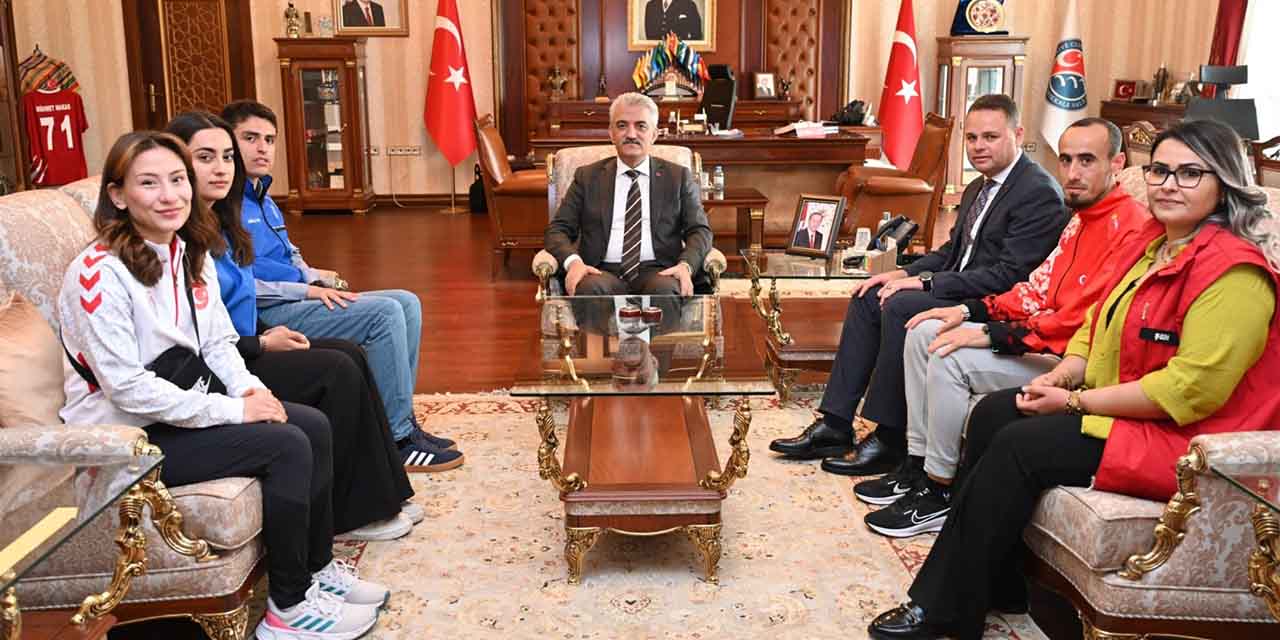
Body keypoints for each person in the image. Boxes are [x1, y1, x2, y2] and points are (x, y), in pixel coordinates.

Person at [867, 118, 1280, 640]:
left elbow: (1188, 391)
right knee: (997, 411)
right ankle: (998, 584)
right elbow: (1096, 327)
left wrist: (1073, 404)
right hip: (1137, 416)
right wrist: (1060, 378)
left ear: (1225, 182)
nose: (1169, 185)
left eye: (1190, 173)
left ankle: (943, 608)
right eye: (1160, 170)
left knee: (1020, 446)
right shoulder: (1158, 245)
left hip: (1189, 442)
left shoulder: (1234, 271)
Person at [58, 131, 388, 639]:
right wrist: (234, 412)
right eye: (149, 183)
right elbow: (125, 388)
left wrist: (251, 391)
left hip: (173, 414)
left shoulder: (189, 252)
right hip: (121, 439)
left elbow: (217, 343)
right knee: (286, 446)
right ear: (119, 195)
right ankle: (288, 611)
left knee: (313, 425)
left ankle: (315, 568)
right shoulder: (97, 273)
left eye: (177, 180)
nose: (169, 196)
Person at [856, 118, 1150, 538]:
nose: (1072, 173)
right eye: (1066, 160)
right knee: (924, 331)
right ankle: (916, 467)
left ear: (1116, 164)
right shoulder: (1079, 220)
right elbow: (1036, 288)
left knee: (948, 356)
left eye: (1087, 161)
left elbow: (1079, 321)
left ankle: (940, 492)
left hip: (1070, 361)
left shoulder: (1133, 229)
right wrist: (971, 310)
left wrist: (992, 333)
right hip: (1040, 340)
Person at [769, 94, 1068, 475]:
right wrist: (902, 274)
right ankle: (836, 424)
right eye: (972, 137)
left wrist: (925, 284)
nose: (979, 146)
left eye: (991, 137)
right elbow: (951, 252)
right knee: (870, 294)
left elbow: (1009, 276)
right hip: (960, 285)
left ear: (1018, 134)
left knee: (898, 306)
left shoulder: (1037, 193)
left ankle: (891, 437)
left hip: (990, 302)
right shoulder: (979, 187)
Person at [166, 111, 420, 540]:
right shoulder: (180, 239)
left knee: (348, 355)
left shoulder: (218, 223)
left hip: (243, 345)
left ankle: (384, 492)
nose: (222, 168)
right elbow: (197, 338)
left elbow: (236, 305)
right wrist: (261, 344)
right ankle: (353, 514)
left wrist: (266, 332)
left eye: (226, 157)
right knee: (336, 369)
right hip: (224, 364)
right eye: (205, 157)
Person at [219, 100, 461, 473]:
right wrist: (307, 291)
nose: (262, 148)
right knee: (384, 315)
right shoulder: (223, 205)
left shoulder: (263, 198)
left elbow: (290, 253)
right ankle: (397, 441)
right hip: (269, 313)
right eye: (250, 138)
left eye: (269, 139)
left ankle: (401, 421)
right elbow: (241, 284)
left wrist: (313, 275)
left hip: (299, 295)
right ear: (228, 143)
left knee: (406, 302)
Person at [544, 92, 713, 296]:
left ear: (654, 134)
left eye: (641, 126)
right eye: (622, 125)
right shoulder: (587, 177)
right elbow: (558, 230)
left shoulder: (677, 177)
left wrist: (685, 266)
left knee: (667, 290)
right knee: (589, 288)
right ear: (611, 133)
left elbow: (700, 230)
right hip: (600, 270)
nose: (631, 134)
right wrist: (574, 263)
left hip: (659, 270)